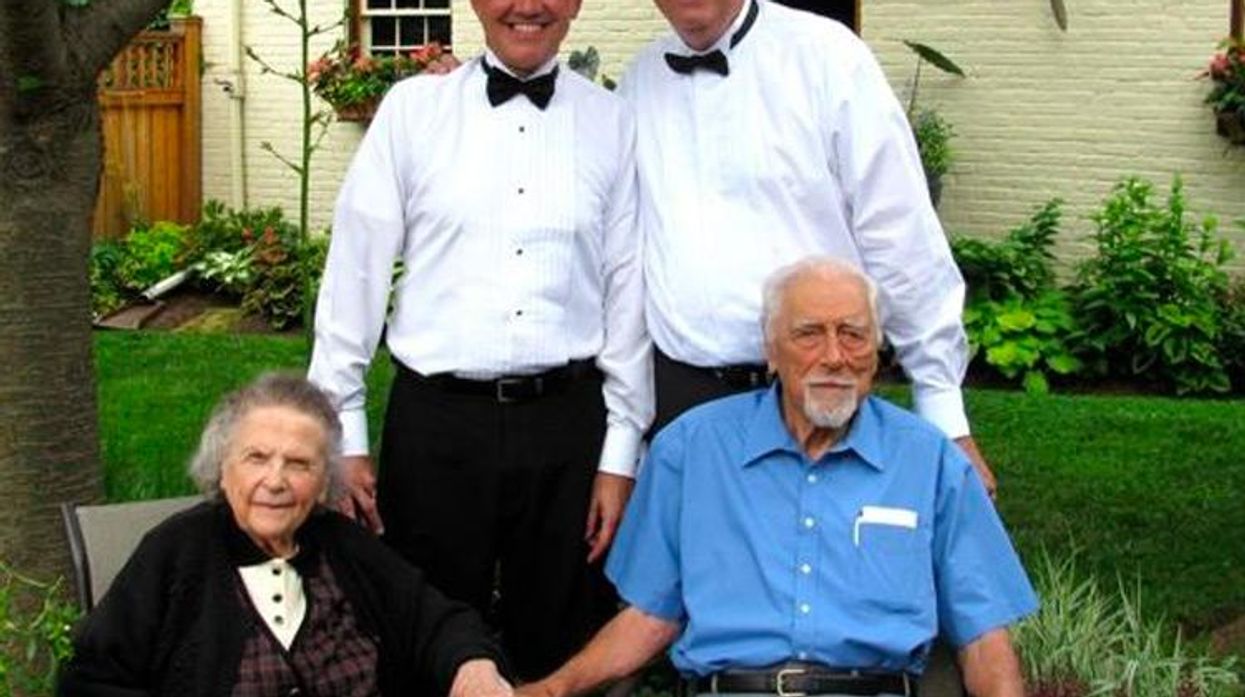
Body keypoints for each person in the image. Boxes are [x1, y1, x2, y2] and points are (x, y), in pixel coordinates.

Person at [306, 0, 652, 680]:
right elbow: (354, 276)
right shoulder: (412, 114)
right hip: (436, 424)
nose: (528, 6)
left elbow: (628, 292)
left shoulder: (613, 123)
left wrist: (619, 451)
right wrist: (343, 435)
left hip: (566, 425)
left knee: (561, 636)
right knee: (419, 631)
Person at [517, 258, 1039, 697]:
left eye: (854, 335)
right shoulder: (692, 451)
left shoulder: (931, 463)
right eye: (809, 334)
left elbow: (983, 639)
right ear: (771, 350)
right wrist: (551, 690)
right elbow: (650, 617)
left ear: (877, 352)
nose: (834, 356)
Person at [619, 0, 997, 495]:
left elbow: (900, 236)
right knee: (696, 569)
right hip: (685, 402)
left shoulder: (828, 58)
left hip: (817, 388)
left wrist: (945, 414)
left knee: (822, 565)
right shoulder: (639, 83)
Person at [58, 373, 512, 697]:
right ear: (222, 467)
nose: (275, 481)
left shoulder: (344, 545)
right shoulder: (175, 551)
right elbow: (90, 679)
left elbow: (437, 621)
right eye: (257, 457)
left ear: (323, 484)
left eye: (298, 464)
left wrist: (474, 669)